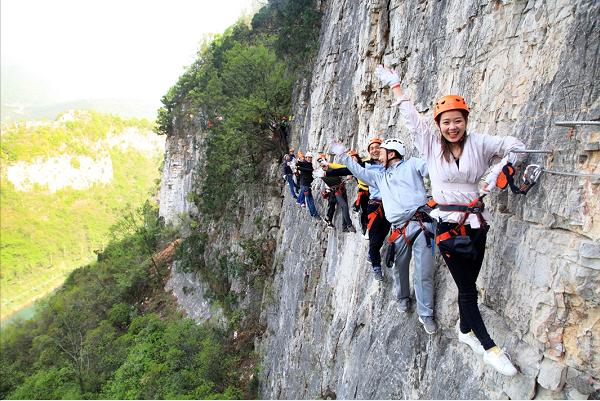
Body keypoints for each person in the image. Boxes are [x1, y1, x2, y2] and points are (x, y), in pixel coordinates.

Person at [375, 65, 526, 375]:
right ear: (439, 125)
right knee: (468, 289)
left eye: (458, 121)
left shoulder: (480, 144)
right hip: (446, 226)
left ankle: (465, 330)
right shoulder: (431, 146)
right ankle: (490, 348)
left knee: (469, 283)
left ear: (466, 121)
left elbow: (516, 147)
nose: (452, 127)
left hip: (477, 225)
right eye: (446, 122)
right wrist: (397, 88)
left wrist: (497, 172)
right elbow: (412, 121)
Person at [329, 138, 437, 334]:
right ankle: (403, 297)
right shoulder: (380, 177)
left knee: (424, 271)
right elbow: (359, 171)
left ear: (393, 153)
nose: (379, 155)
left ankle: (426, 313)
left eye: (383, 151)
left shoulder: (413, 164)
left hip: (422, 224)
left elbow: (435, 170)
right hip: (400, 227)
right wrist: (344, 155)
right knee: (400, 266)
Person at [326, 139, 390, 281]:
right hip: (375, 204)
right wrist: (328, 171)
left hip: (391, 205)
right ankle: (376, 267)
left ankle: (372, 253)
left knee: (383, 234)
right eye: (371, 148)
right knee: (374, 238)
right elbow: (347, 169)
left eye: (377, 147)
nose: (374, 150)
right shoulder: (365, 165)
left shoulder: (388, 163)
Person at [315, 154, 356, 232]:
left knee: (345, 206)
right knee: (344, 206)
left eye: (323, 160)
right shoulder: (321, 172)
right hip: (336, 191)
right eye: (320, 161)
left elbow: (342, 168)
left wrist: (348, 173)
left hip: (342, 189)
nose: (322, 162)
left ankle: (344, 227)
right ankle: (349, 225)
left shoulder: (331, 167)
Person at [296, 151, 321, 219]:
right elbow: (300, 164)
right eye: (309, 157)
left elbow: (309, 172)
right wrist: (296, 164)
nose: (310, 158)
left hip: (307, 184)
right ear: (306, 157)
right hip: (304, 184)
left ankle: (313, 213)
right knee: (310, 199)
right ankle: (299, 201)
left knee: (309, 199)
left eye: (311, 157)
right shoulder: (304, 163)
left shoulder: (310, 164)